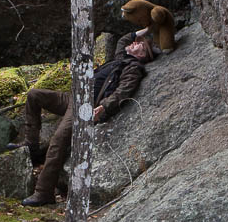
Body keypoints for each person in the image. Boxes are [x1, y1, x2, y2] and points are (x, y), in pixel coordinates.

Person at [10, 31, 159, 206]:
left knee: (58, 140)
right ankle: (31, 145)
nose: (134, 43)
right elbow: (123, 40)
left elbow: (123, 91)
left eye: (138, 45)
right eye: (135, 42)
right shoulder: (121, 57)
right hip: (75, 97)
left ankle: (44, 192)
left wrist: (103, 107)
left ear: (142, 55)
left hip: (85, 106)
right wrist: (148, 27)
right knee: (34, 95)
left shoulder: (133, 68)